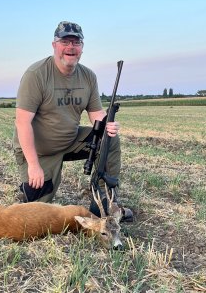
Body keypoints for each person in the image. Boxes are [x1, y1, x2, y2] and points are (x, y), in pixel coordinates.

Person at [12, 21, 132, 221]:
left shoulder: (88, 76)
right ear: (54, 45)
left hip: (70, 141)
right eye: (65, 41)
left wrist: (107, 125)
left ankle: (106, 202)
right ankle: (27, 189)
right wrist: (33, 165)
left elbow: (96, 114)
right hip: (38, 150)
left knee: (109, 139)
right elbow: (22, 123)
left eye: (76, 42)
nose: (70, 47)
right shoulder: (36, 74)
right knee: (36, 213)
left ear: (82, 48)